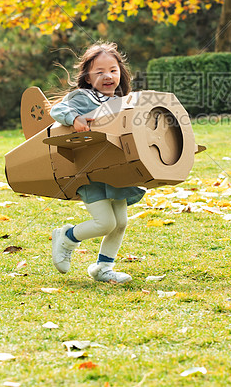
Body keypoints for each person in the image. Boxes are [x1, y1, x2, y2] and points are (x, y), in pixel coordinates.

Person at [49, 42, 145, 284]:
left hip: (116, 171)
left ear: (121, 72)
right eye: (99, 72)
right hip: (90, 172)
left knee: (120, 223)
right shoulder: (83, 97)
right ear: (88, 78)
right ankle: (67, 236)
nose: (108, 76)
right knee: (105, 222)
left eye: (113, 70)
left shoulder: (122, 102)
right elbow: (58, 110)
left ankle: (103, 267)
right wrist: (75, 118)